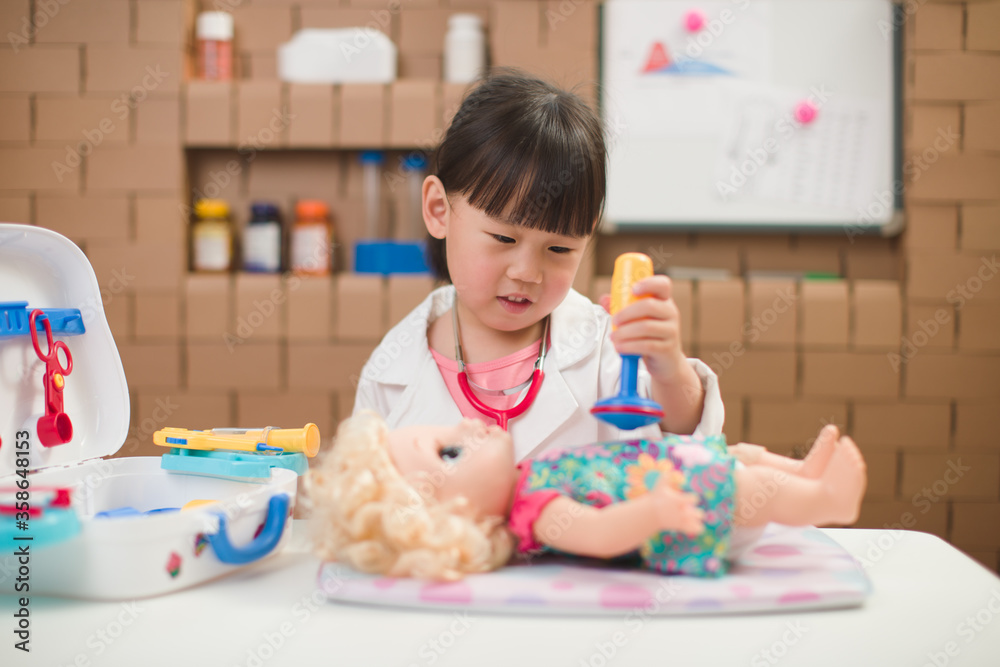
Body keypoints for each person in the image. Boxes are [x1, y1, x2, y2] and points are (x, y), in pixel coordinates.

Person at [352, 70, 723, 460]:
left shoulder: (605, 350)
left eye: (559, 249)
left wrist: (669, 368)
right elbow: (362, 484)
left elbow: (686, 441)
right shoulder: (391, 371)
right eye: (504, 239)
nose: (527, 272)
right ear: (439, 210)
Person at [308, 412, 867, 581]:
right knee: (745, 487)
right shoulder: (534, 512)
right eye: (450, 453)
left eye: (445, 429)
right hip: (686, 511)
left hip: (678, 472)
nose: (467, 427)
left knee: (741, 457)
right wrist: (654, 512)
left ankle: (803, 473)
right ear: (459, 522)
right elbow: (598, 535)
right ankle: (825, 503)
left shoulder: (529, 476)